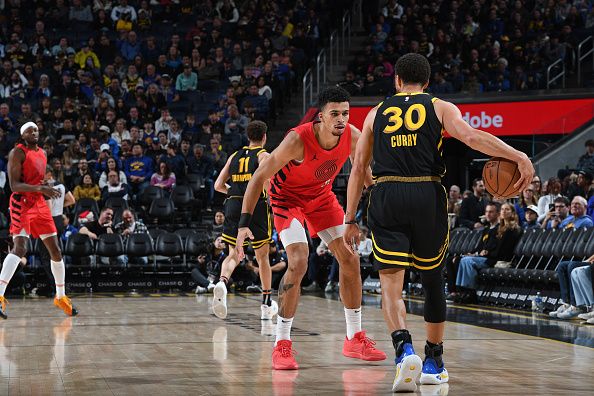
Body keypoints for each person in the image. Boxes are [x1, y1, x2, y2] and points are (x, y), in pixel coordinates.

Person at [343, 54, 534, 392]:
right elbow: (472, 137)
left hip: (387, 194)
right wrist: (517, 155)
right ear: (427, 83)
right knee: (432, 279)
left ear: (397, 81)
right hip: (426, 192)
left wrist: (349, 219)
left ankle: (403, 351)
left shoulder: (376, 112)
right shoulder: (440, 106)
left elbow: (359, 169)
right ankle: (434, 361)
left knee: (391, 283)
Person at [235, 87, 386, 370]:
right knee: (299, 260)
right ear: (321, 117)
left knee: (350, 258)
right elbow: (257, 178)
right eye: (335, 114)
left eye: (345, 113)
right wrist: (243, 225)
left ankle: (354, 337)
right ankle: (282, 344)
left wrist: (378, 197)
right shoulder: (297, 139)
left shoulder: (353, 136)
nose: (341, 119)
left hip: (321, 198)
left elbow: (363, 171)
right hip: (286, 200)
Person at [1, 122, 79, 318]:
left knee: (55, 249)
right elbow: (14, 185)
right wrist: (40, 188)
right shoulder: (17, 153)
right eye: (29, 130)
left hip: (39, 203)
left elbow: (35, 180)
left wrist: (42, 186)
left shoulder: (43, 153)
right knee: (20, 248)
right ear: (22, 135)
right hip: (22, 202)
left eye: (35, 129)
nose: (33, 132)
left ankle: (60, 296)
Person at [212, 121, 277, 320]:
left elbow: (218, 185)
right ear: (264, 137)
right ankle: (266, 303)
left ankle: (222, 282)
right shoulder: (263, 155)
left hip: (233, 205)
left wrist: (234, 192)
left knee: (233, 253)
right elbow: (267, 183)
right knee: (262, 256)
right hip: (255, 206)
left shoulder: (234, 156)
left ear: (248, 137)